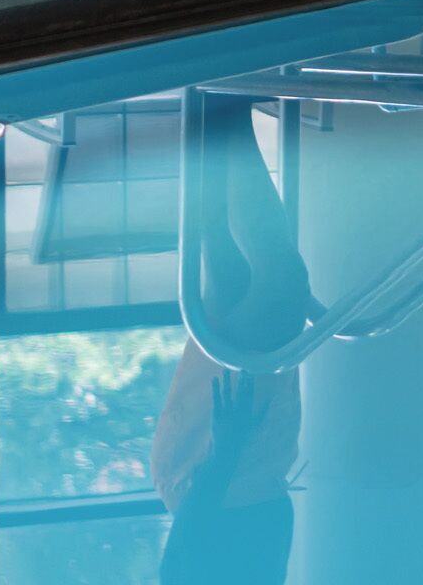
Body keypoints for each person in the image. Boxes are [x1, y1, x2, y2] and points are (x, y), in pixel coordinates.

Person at [152, 93, 312, 583]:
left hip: (226, 468)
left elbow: (184, 558)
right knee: (231, 270)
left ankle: (227, 100)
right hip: (222, 469)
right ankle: (215, 98)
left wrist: (227, 448)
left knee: (283, 284)